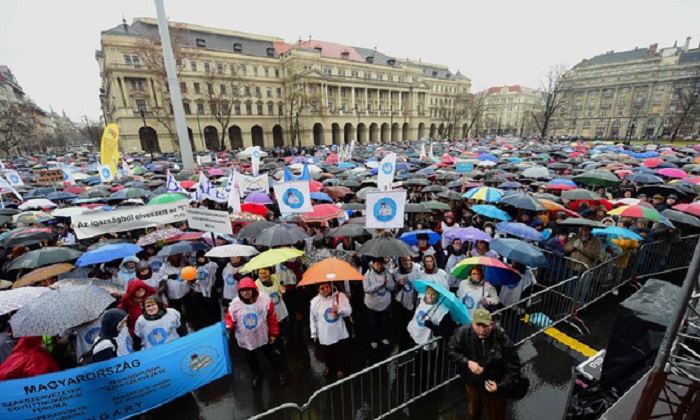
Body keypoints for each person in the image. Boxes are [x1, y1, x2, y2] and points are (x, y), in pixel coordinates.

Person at [447, 309, 521, 420]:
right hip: (474, 383)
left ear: (492, 324)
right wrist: (468, 362)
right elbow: (450, 350)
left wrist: (500, 386)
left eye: (485, 325)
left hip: (496, 386)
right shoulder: (463, 333)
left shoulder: (501, 337)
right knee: (473, 413)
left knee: (496, 416)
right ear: (472, 323)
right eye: (478, 325)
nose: (481, 330)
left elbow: (514, 366)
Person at [225, 277, 285, 388]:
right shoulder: (234, 304)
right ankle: (256, 375)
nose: (245, 293)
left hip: (263, 335)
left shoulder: (265, 300)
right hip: (246, 338)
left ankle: (280, 372)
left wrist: (273, 333)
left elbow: (272, 317)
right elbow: (230, 319)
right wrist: (228, 327)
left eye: (248, 290)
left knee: (271, 354)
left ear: (253, 289)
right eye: (243, 291)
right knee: (250, 358)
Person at [309, 282, 352, 379]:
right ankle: (329, 367)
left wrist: (339, 310)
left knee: (340, 352)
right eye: (322, 288)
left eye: (327, 287)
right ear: (318, 290)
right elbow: (313, 319)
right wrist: (314, 333)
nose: (325, 290)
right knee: (326, 353)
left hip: (338, 333)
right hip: (324, 335)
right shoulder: (314, 302)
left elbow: (349, 311)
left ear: (331, 286)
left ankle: (340, 369)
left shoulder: (339, 296)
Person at [363, 257, 396, 349]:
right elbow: (367, 289)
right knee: (372, 323)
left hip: (384, 304)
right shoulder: (368, 275)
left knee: (383, 322)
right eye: (377, 263)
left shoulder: (387, 273)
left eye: (381, 263)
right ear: (373, 264)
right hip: (372, 305)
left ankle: (382, 337)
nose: (379, 266)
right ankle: (373, 339)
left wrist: (387, 284)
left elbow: (393, 287)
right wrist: (380, 284)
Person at [118, 279, 158, 348]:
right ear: (132, 291)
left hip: (154, 331)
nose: (140, 290)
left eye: (142, 287)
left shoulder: (152, 298)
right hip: (136, 337)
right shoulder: (126, 305)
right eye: (137, 288)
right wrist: (131, 333)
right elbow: (122, 323)